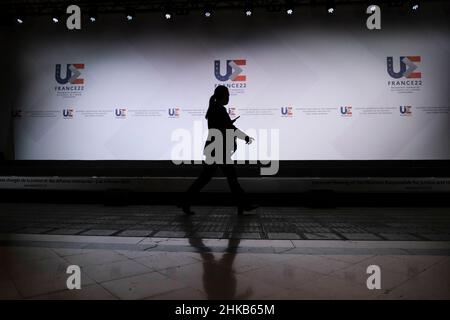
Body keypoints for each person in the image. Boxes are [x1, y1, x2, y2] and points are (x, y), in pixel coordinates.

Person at [181, 85, 257, 216]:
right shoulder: (220, 109)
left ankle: (185, 202)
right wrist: (244, 137)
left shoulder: (213, 108)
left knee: (206, 178)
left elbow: (222, 127)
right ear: (224, 96)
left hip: (214, 149)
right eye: (228, 95)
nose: (229, 98)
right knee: (231, 178)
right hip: (219, 150)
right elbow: (229, 128)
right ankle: (244, 205)